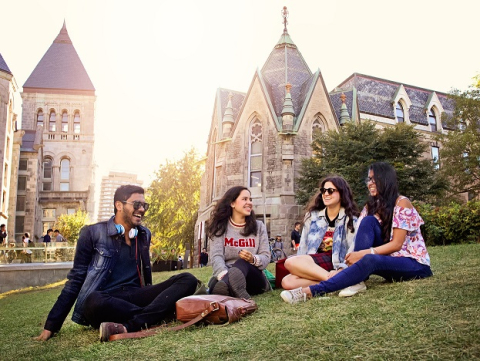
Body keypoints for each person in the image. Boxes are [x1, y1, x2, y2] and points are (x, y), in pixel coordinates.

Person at [34, 185, 198, 342]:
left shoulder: (143, 234)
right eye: (137, 204)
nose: (142, 209)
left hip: (135, 297)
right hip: (106, 300)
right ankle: (159, 314)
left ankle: (134, 323)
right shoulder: (92, 233)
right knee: (94, 300)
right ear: (119, 205)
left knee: (187, 279)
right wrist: (51, 325)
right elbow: (76, 279)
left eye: (144, 205)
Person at [281, 162, 433, 304]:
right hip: (386, 262)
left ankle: (310, 292)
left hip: (413, 264)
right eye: (369, 180)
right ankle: (355, 279)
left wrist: (364, 254)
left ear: (385, 180)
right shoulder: (370, 207)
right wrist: (358, 257)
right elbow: (360, 237)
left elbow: (397, 244)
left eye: (374, 179)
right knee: (368, 222)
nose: (370, 183)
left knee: (369, 258)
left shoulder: (401, 202)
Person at [281, 176, 359, 291]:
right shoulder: (312, 217)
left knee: (290, 262)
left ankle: (339, 278)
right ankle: (339, 281)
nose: (326, 194)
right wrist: (300, 266)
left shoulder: (350, 219)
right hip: (315, 263)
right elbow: (303, 246)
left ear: (342, 193)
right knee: (287, 282)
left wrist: (343, 268)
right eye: (323, 190)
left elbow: (353, 249)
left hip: (338, 262)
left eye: (331, 190)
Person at [207, 186, 271, 299]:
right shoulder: (220, 227)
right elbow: (216, 256)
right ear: (232, 203)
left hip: (253, 277)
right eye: (245, 199)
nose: (249, 202)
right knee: (216, 282)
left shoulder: (259, 226)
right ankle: (229, 286)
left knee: (242, 262)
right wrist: (224, 274)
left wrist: (252, 259)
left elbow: (266, 256)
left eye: (250, 199)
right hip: (226, 273)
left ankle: (225, 287)